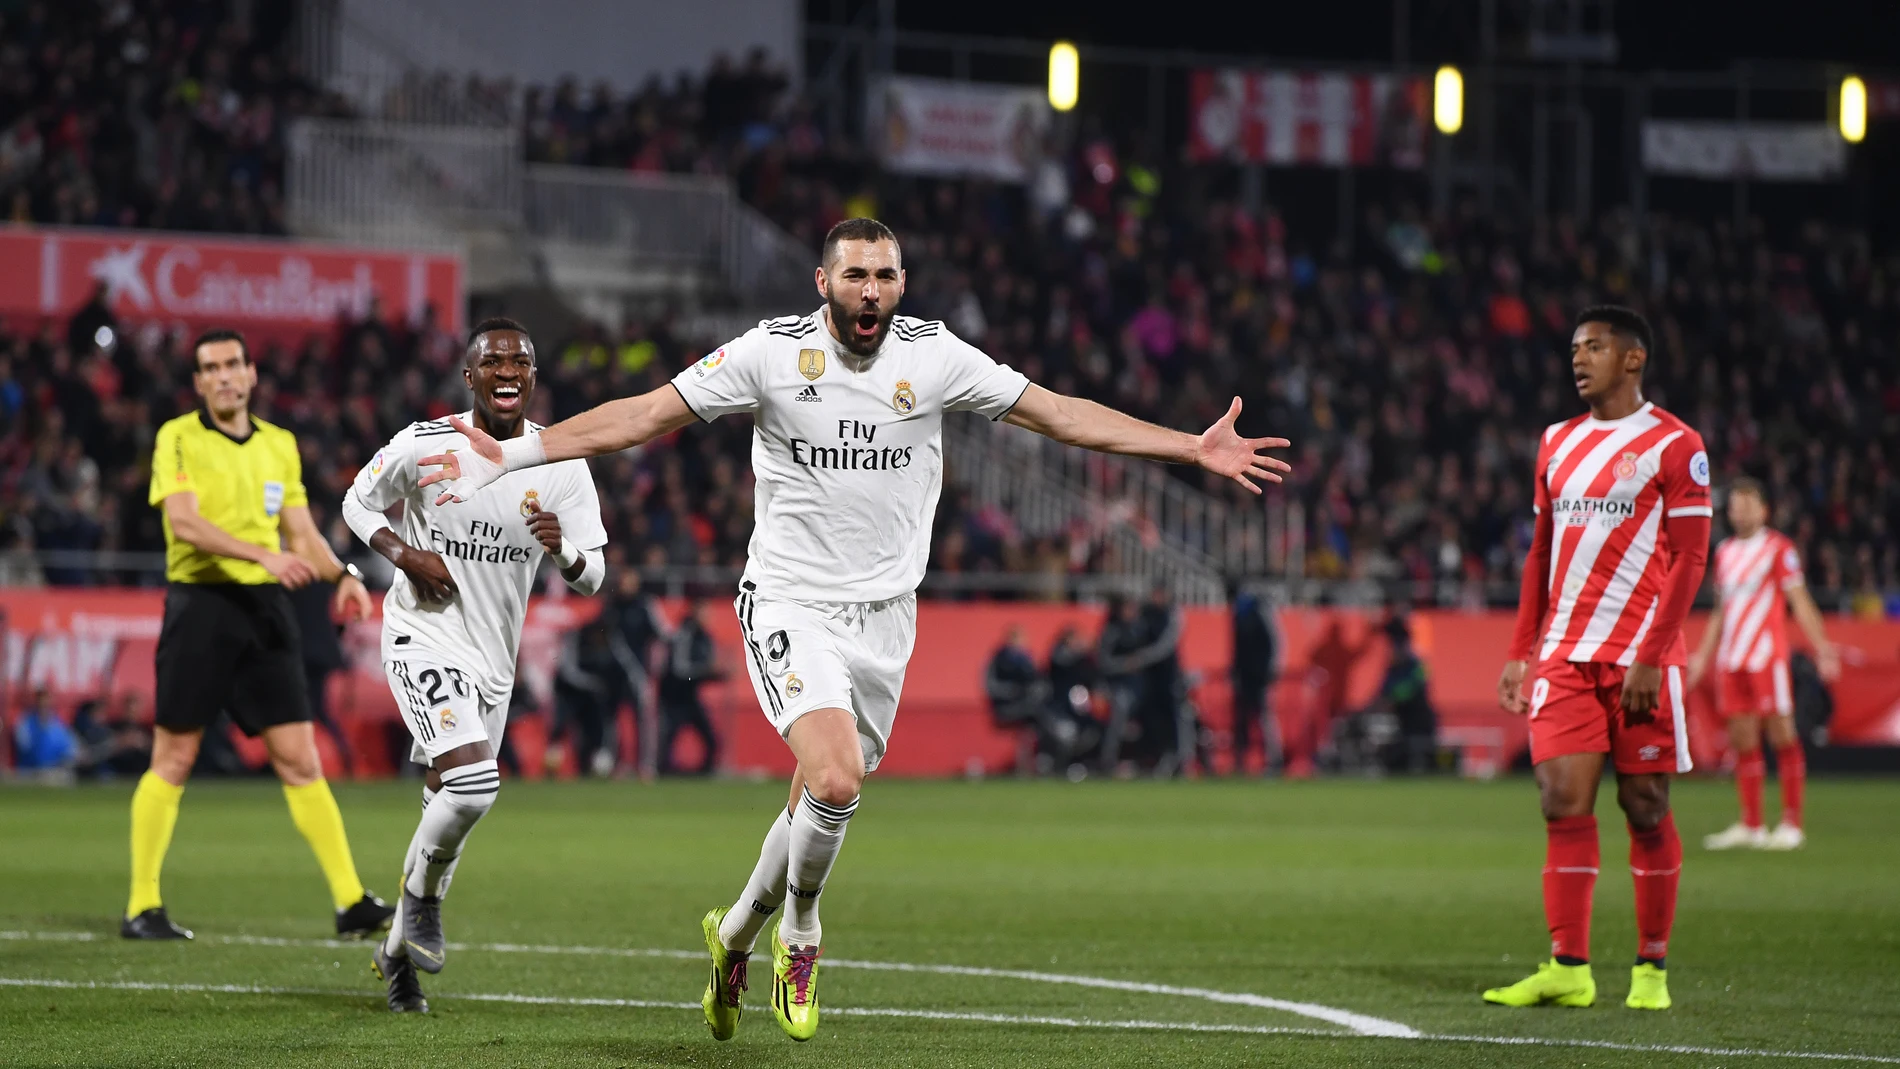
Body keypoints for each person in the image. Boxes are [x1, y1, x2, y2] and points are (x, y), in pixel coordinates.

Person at [417, 217, 1291, 1042]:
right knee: (833, 779)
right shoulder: (770, 352)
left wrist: (1189, 447)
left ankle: (733, 936)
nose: (872, 291)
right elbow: (645, 414)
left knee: (816, 795)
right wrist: (523, 451)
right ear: (824, 282)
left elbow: (1058, 412)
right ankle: (801, 937)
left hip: (886, 619)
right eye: (856, 275)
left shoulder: (935, 355)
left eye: (886, 275)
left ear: (901, 282)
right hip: (790, 599)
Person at [342, 317, 609, 1013]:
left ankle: (398, 955)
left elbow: (596, 575)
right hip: (422, 636)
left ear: (533, 375)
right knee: (474, 780)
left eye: (520, 360)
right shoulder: (427, 443)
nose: (508, 370)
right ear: (471, 376)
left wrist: (566, 553)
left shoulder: (562, 462)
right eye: (493, 361)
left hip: (494, 660)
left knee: (453, 804)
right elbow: (356, 500)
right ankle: (420, 904)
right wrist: (405, 554)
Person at [1486, 306, 1710, 1013]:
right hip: (1564, 655)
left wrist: (1650, 655)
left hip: (1640, 656)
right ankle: (1569, 965)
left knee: (1644, 804)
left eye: (1595, 347)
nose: (1579, 358)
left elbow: (1691, 559)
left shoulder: (1676, 444)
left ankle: (1650, 967)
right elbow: (1540, 555)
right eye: (1575, 347)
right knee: (1561, 800)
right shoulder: (1555, 443)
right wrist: (1522, 650)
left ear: (1634, 358)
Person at [133, 328, 384, 942]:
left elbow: (300, 532)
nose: (222, 376)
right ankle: (142, 906)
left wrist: (342, 575)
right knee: (175, 756)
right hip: (202, 607)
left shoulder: (279, 446)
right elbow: (186, 525)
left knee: (300, 758)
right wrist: (262, 555)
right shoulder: (178, 438)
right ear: (197, 382)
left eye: (232, 365)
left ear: (250, 374)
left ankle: (350, 900)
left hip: (265, 612)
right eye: (209, 368)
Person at [1689, 478, 1839, 851]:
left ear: (1763, 510)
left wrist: (1822, 647)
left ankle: (1791, 823)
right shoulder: (1723, 552)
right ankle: (1752, 824)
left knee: (1782, 734)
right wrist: (1703, 656)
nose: (1739, 511)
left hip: (1766, 656)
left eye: (1747, 505)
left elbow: (1799, 600)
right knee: (1742, 738)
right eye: (1735, 505)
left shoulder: (1778, 549)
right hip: (1731, 658)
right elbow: (1721, 612)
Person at [658, 599, 722, 775]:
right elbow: (680, 669)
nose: (708, 617)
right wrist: (708, 672)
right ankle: (664, 773)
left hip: (690, 696)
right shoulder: (684, 634)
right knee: (667, 740)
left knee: (711, 740)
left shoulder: (706, 637)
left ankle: (704, 774)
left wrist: (716, 674)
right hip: (673, 697)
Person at [1230, 591, 1282, 776]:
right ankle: (1241, 761)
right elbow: (1236, 647)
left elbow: (1274, 643)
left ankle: (1273, 759)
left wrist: (1271, 670)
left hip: (1259, 675)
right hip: (1245, 674)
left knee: (1263, 716)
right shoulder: (1238, 614)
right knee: (1242, 719)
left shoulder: (1260, 613)